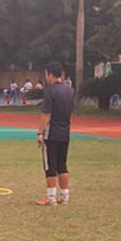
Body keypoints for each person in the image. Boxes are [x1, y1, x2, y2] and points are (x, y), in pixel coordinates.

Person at [36, 61, 75, 206]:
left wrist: (40, 133)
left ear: (51, 75)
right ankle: (64, 197)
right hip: (65, 132)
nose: (46, 77)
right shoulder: (70, 91)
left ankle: (51, 197)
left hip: (51, 133)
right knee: (62, 165)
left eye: (46, 75)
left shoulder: (50, 91)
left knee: (50, 166)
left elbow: (46, 114)